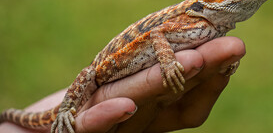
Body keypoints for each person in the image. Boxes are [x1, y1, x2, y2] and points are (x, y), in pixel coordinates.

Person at [0, 37, 245, 133]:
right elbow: (158, 34)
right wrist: (168, 62)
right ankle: (59, 111)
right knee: (87, 75)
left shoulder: (212, 28)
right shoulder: (188, 18)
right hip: (102, 75)